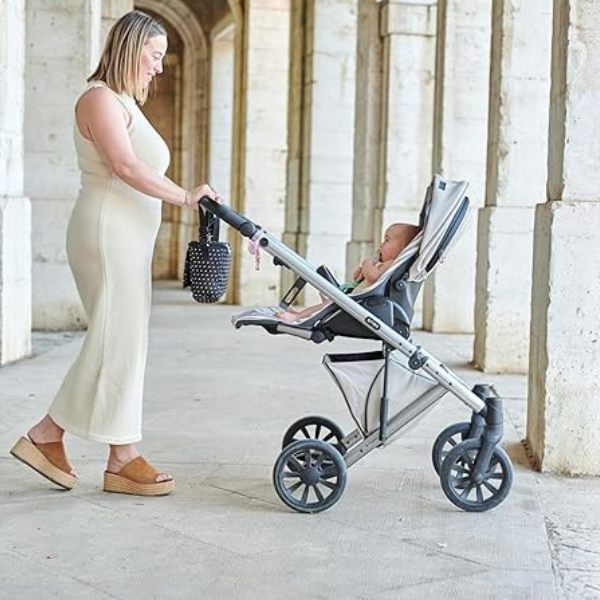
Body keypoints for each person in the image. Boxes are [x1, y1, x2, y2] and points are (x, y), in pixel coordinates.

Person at [10, 10, 220, 497]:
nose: (160, 67)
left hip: (126, 237)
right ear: (130, 48)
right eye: (155, 55)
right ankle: (55, 437)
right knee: (115, 338)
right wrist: (186, 196)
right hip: (106, 233)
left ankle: (114, 453)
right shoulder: (99, 99)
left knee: (124, 341)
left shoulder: (125, 101)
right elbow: (125, 166)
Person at [277, 222, 421, 322]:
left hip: (360, 303)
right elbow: (366, 279)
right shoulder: (384, 264)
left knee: (327, 305)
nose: (381, 244)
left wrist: (366, 264)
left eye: (387, 240)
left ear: (403, 249)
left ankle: (297, 316)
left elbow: (374, 277)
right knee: (327, 302)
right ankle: (300, 314)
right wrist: (360, 275)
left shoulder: (391, 265)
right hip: (355, 296)